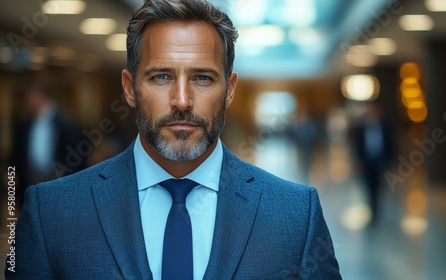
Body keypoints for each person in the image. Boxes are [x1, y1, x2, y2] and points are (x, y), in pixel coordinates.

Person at [6, 0, 342, 279]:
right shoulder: (50, 213)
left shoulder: (296, 215)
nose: (182, 99)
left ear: (230, 90)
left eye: (202, 77)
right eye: (162, 76)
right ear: (129, 87)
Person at [10, 82, 84, 211]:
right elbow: (16, 156)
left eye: (30, 96)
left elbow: (75, 158)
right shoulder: (23, 125)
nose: (27, 101)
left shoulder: (65, 125)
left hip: (56, 184)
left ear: (41, 96)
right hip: (28, 183)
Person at [354, 103, 393, 226]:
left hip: (380, 162)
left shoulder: (385, 126)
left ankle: (377, 211)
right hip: (367, 162)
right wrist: (357, 160)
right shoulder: (362, 128)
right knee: (369, 187)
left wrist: (389, 160)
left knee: (378, 187)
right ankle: (372, 210)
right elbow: (357, 145)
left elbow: (391, 144)